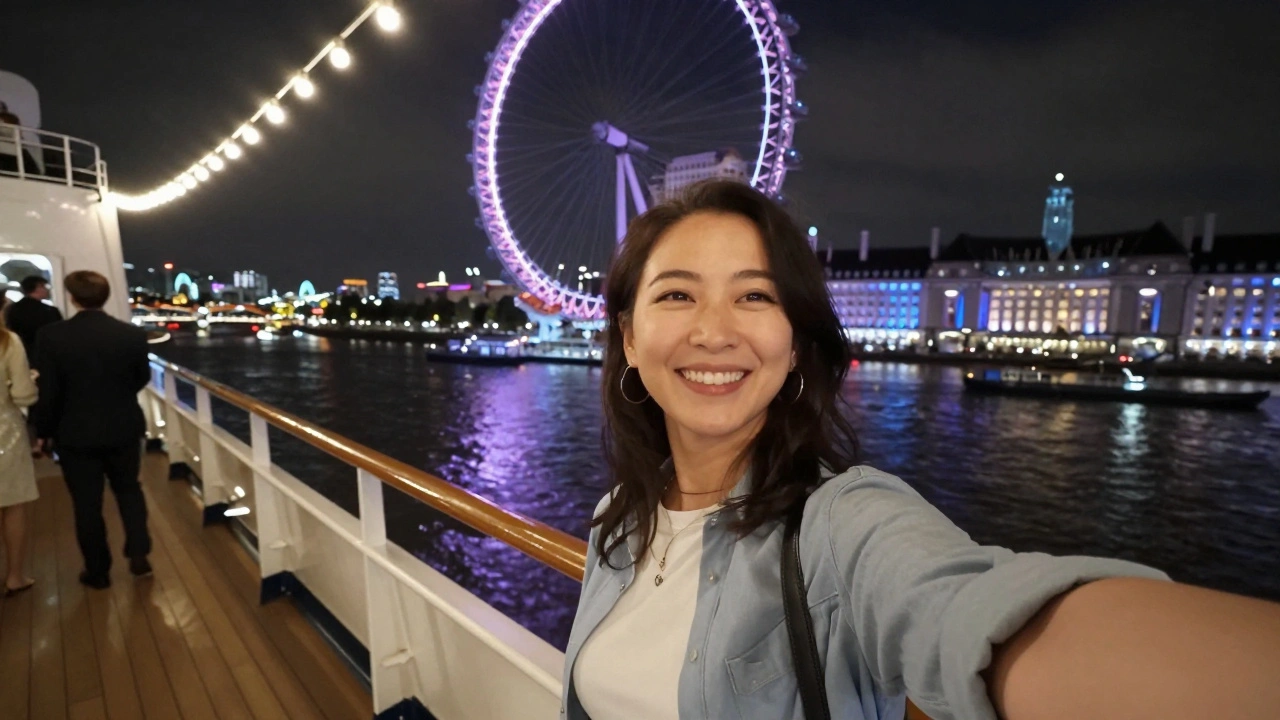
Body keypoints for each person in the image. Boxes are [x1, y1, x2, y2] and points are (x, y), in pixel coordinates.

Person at [562, 180, 1280, 720]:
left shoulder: (844, 526)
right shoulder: (616, 522)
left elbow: (964, 611)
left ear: (795, 343)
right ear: (628, 337)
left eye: (755, 297)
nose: (714, 332)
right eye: (677, 295)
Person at [33, 270, 152, 590]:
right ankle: (139, 554)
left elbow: (49, 392)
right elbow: (142, 377)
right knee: (129, 490)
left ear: (72, 297)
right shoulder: (130, 334)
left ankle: (98, 571)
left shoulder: (52, 336)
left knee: (87, 504)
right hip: (124, 426)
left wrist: (42, 432)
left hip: (75, 432)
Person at [0, 306, 39, 597]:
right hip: (4, 432)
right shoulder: (7, 341)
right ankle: (14, 576)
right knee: (12, 505)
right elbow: (23, 394)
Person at [6, 275, 64, 359]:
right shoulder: (50, 311)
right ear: (37, 288)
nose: (47, 289)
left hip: (21, 352)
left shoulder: (12, 309)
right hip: (45, 353)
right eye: (43, 286)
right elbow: (58, 334)